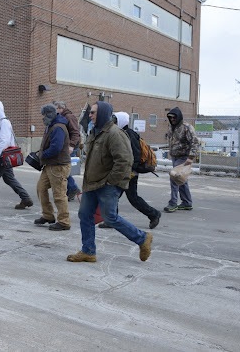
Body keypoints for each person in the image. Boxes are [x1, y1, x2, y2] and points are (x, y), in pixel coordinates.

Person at [67, 102, 152, 263]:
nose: (90, 115)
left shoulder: (115, 133)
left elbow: (124, 161)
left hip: (107, 185)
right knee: (84, 215)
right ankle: (88, 251)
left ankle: (142, 238)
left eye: (93, 112)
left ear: (102, 113)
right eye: (90, 112)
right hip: (92, 184)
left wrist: (111, 182)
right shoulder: (94, 132)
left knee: (110, 217)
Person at [98, 112, 161, 229]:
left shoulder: (129, 134)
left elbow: (135, 154)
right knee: (114, 195)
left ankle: (154, 214)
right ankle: (111, 220)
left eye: (116, 120)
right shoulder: (121, 133)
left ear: (121, 121)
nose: (113, 123)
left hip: (129, 173)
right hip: (123, 171)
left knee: (130, 197)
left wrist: (129, 170)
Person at [34, 104, 72, 230]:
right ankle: (48, 215)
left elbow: (56, 148)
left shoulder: (58, 127)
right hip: (50, 165)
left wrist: (42, 155)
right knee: (41, 188)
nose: (42, 118)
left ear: (49, 115)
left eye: (43, 115)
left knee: (59, 194)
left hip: (58, 166)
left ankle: (64, 222)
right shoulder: (52, 125)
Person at [164, 107, 199, 213]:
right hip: (175, 157)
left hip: (184, 157)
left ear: (179, 117)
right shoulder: (171, 127)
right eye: (170, 118)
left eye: (174, 117)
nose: (172, 119)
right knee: (181, 180)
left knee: (174, 177)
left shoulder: (187, 127)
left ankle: (173, 203)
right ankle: (187, 202)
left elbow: (195, 142)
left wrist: (191, 158)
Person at [53, 101, 81, 201]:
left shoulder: (69, 117)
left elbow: (75, 132)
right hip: (65, 147)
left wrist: (72, 145)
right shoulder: (62, 117)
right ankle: (70, 189)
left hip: (70, 147)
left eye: (56, 109)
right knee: (64, 169)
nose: (55, 111)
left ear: (61, 108)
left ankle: (73, 188)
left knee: (65, 170)